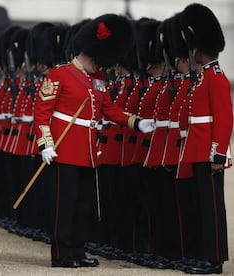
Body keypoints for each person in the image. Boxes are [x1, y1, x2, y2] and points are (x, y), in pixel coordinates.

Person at [33, 14, 155, 268]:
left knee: (83, 206)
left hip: (88, 152)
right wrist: (46, 143)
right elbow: (41, 113)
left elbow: (110, 110)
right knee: (64, 206)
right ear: (90, 52)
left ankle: (77, 250)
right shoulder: (60, 74)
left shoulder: (98, 79)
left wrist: (135, 122)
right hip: (64, 150)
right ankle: (62, 253)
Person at [176, 3, 233, 274]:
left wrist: (218, 155)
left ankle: (214, 259)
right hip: (196, 150)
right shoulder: (201, 78)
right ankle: (202, 254)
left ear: (200, 49)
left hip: (208, 152)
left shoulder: (217, 78)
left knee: (212, 209)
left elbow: (224, 120)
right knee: (199, 206)